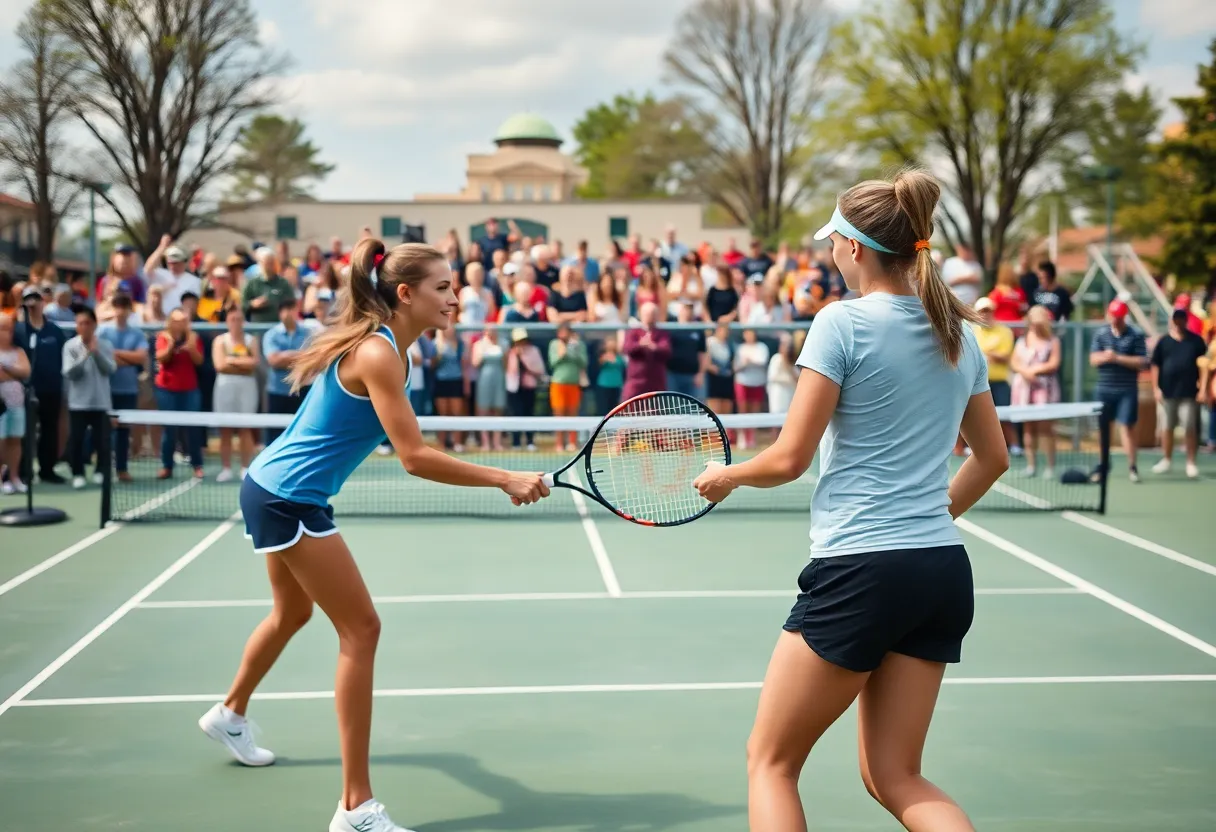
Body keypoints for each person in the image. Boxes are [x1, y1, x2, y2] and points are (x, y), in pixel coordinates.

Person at [693, 167, 1009, 832]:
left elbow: (788, 459)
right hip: (941, 570)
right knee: (897, 776)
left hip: (861, 570)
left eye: (835, 239)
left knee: (769, 762)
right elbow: (992, 459)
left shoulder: (839, 323)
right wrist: (928, 520)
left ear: (857, 249)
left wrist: (727, 476)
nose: (830, 250)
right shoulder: (960, 332)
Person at [197, 239, 549, 832]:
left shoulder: (388, 348)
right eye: (443, 288)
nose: (455, 298)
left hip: (271, 486)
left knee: (291, 615)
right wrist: (504, 477)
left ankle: (229, 714)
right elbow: (412, 457)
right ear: (405, 294)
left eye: (454, 287)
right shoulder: (380, 354)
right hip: (288, 499)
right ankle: (355, 809)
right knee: (361, 629)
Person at [1089, 299, 1148, 482]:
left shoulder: (1136, 335)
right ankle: (1103, 465)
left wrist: (1118, 358)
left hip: (1127, 389)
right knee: (1103, 428)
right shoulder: (1101, 334)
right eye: (1113, 316)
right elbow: (1093, 359)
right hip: (1104, 389)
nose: (1115, 320)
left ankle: (1132, 467)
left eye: (1119, 317)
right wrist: (1105, 357)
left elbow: (1142, 362)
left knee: (1127, 426)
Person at [1149, 307, 1206, 479]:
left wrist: (1202, 389)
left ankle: (1191, 462)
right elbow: (1155, 365)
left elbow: (1204, 366)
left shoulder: (1196, 342)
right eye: (1176, 319)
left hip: (1189, 393)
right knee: (1167, 427)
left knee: (1189, 427)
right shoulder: (1164, 342)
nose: (1178, 322)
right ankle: (1166, 459)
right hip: (1167, 392)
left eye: (1181, 319)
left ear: (1185, 321)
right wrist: (1155, 388)